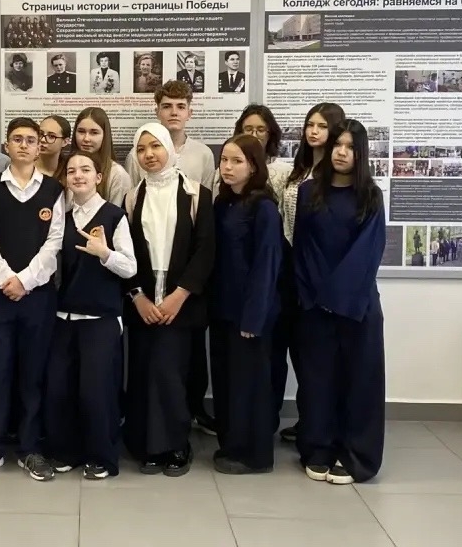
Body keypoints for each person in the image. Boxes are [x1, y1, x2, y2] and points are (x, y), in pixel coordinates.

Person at [0, 118, 65, 482]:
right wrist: (7, 278)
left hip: (37, 297)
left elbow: (54, 242)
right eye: (17, 139)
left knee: (32, 374)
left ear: (40, 148)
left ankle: (29, 448)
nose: (24, 145)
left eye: (31, 140)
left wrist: (25, 280)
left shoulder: (54, 190)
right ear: (6, 146)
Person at [292, 119, 386, 485]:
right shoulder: (309, 192)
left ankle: (354, 453)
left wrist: (337, 297)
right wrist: (313, 296)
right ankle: (318, 447)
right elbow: (303, 248)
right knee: (317, 382)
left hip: (356, 306)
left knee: (358, 381)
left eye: (350, 147)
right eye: (337, 145)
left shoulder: (371, 196)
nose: (341, 152)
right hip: (315, 306)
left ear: (360, 154)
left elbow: (367, 253)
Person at [124, 80, 217, 436]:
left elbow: (205, 249)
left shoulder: (197, 195)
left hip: (183, 302)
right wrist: (139, 297)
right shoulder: (133, 197)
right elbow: (127, 251)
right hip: (144, 302)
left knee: (175, 374)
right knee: (144, 371)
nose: (149, 154)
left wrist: (179, 295)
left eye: (156, 147)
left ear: (168, 149)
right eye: (142, 149)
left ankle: (175, 446)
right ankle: (143, 443)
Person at [43, 151, 136, 480]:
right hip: (63, 317)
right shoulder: (62, 218)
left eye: (85, 170)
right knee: (60, 389)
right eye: (71, 171)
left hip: (101, 319)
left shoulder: (114, 216)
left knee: (96, 392)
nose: (78, 175)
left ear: (99, 177)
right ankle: (66, 452)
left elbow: (130, 267)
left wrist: (104, 253)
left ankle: (102, 458)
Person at [209, 135, 283, 475]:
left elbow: (266, 265)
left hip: (250, 314)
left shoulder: (263, 208)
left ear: (253, 166)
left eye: (236, 161)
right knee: (227, 383)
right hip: (223, 309)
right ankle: (231, 445)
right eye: (224, 160)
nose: (227, 167)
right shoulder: (223, 203)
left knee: (249, 386)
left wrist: (254, 317)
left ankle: (254, 455)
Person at [277, 102, 345, 445]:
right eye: (310, 125)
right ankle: (308, 420)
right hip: (289, 266)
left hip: (317, 272)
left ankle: (319, 425)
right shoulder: (298, 170)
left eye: (321, 126)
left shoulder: (335, 176)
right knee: (298, 349)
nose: (314, 131)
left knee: (317, 356)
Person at [63, 107, 131, 206]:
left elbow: (116, 213)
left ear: (105, 135)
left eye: (94, 132)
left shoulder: (117, 174)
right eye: (81, 131)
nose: (86, 138)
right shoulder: (66, 166)